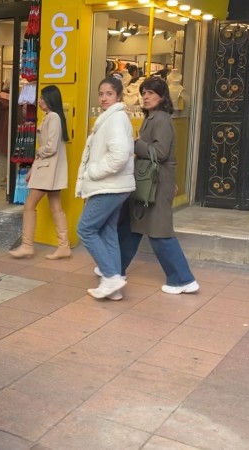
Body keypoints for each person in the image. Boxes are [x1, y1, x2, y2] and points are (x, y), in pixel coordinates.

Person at [117, 76, 199, 295]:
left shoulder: (161, 119)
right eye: (144, 93)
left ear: (162, 97)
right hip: (150, 183)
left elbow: (161, 153)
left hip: (156, 183)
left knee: (159, 232)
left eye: (151, 93)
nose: (145, 96)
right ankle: (115, 270)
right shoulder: (152, 117)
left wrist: (136, 143)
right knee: (132, 227)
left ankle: (183, 279)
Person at [75, 77, 135, 300]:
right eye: (101, 94)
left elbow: (118, 156)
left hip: (109, 186)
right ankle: (114, 287)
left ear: (118, 96)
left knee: (85, 229)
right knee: (108, 232)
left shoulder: (115, 119)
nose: (103, 98)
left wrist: (93, 172)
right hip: (114, 186)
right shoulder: (112, 118)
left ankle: (110, 277)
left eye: (109, 94)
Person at [9, 85, 71, 259]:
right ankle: (64, 246)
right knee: (56, 207)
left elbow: (50, 147)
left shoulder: (53, 117)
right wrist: (34, 168)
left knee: (29, 205)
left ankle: (27, 245)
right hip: (49, 170)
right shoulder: (53, 117)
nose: (39, 101)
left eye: (43, 98)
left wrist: (38, 152)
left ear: (51, 99)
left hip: (47, 170)